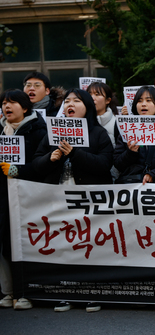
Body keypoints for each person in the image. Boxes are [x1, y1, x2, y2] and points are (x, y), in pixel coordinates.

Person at [33, 89, 113, 313]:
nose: (70, 104)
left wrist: (75, 153)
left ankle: (92, 293)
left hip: (88, 200)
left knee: (90, 245)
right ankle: (65, 293)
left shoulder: (98, 134)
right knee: (62, 245)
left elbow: (105, 165)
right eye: (67, 101)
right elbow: (36, 165)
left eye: (76, 101)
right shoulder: (52, 134)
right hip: (57, 197)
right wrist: (51, 158)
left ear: (87, 106)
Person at [0, 90, 47, 311]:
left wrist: (19, 170)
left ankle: (25, 292)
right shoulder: (1, 131)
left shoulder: (40, 130)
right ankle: (9, 291)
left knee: (25, 243)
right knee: (6, 246)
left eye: (12, 103)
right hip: (4, 195)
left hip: (30, 195)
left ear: (25, 108)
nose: (6, 107)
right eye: (4, 103)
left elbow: (44, 165)